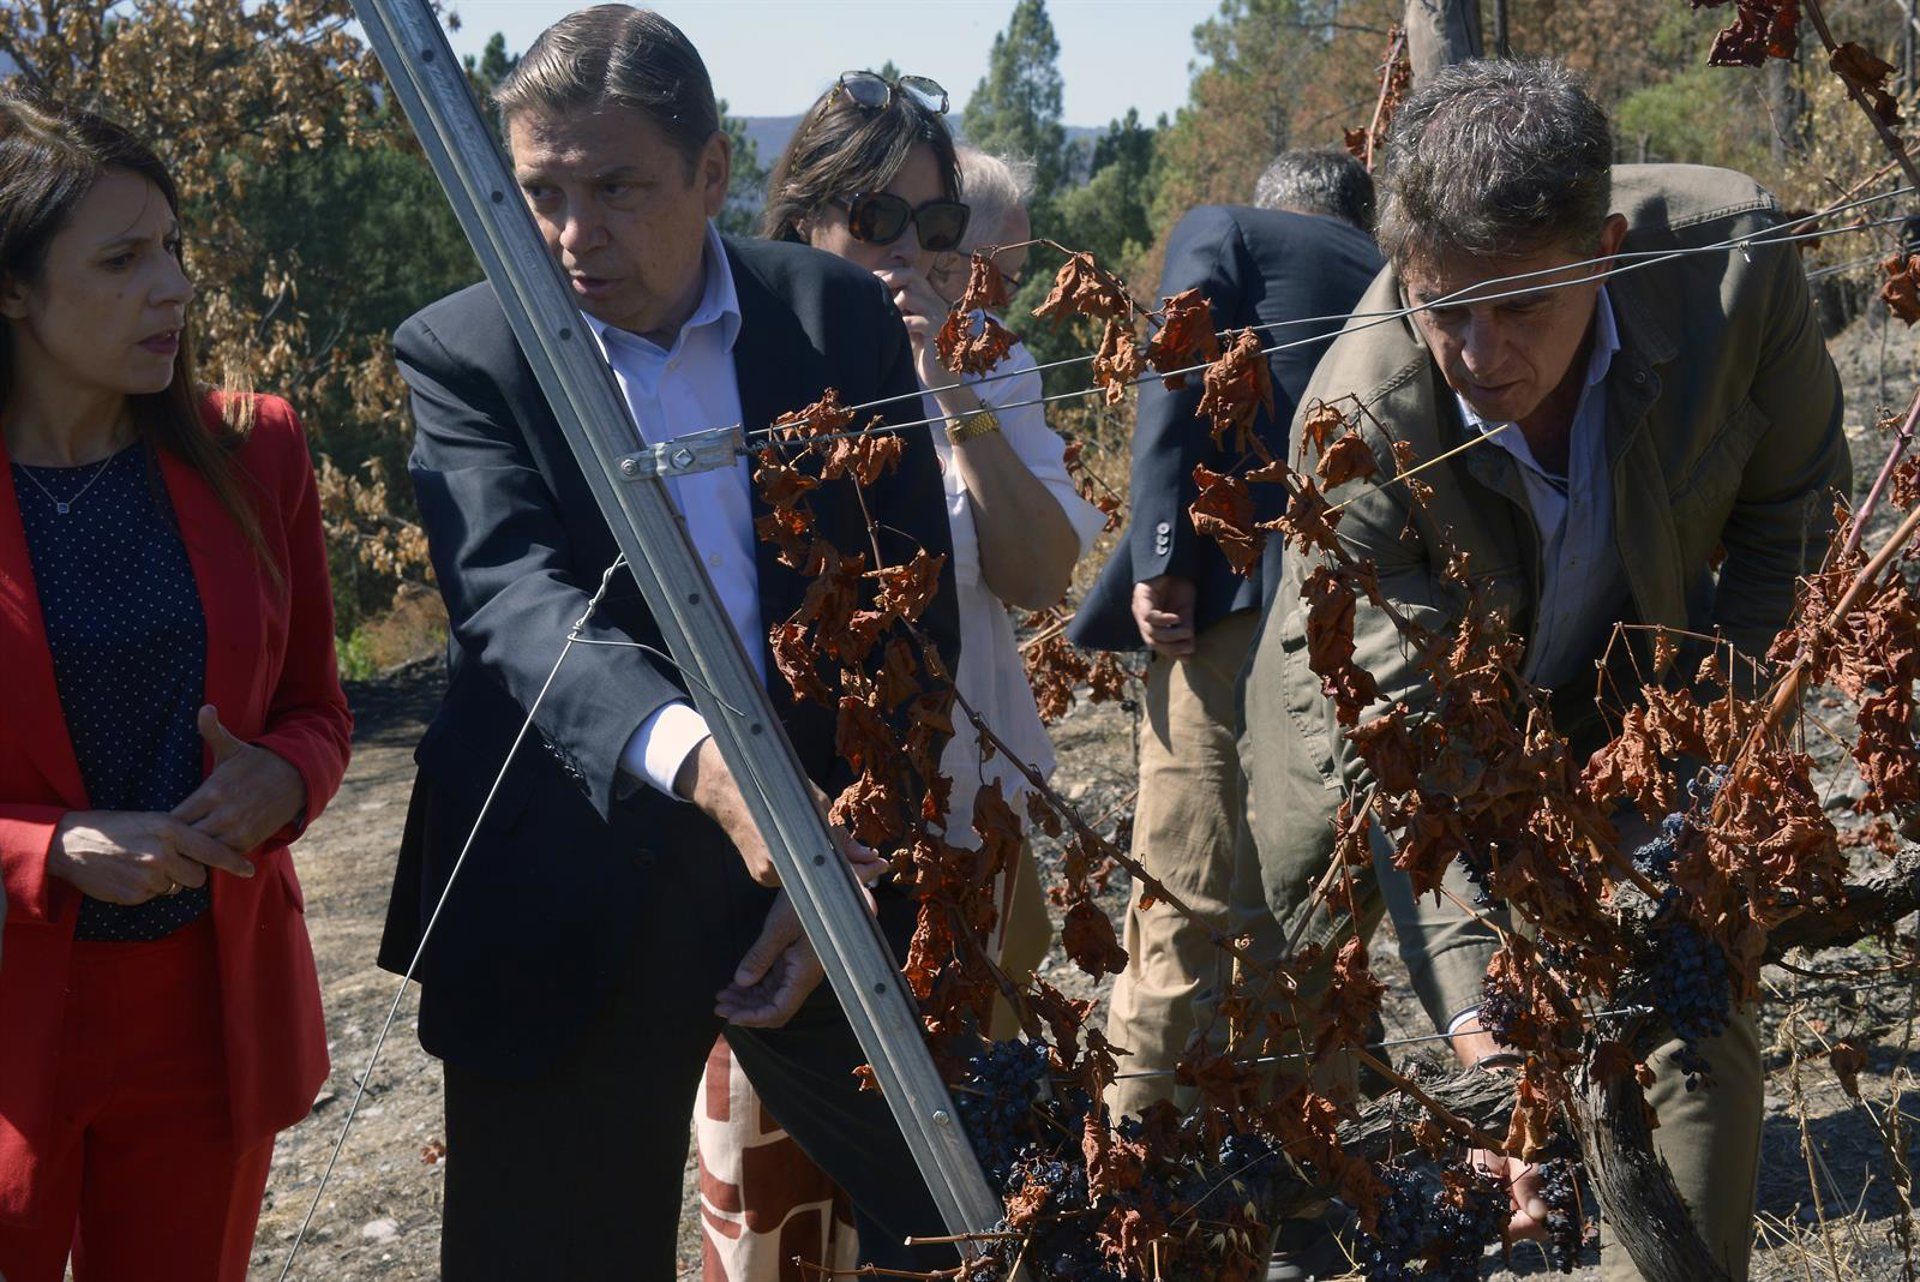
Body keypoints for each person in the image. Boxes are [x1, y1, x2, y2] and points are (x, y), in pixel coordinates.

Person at [374, 12, 965, 1278]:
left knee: (973, 1215)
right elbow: (515, 603)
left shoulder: (835, 321)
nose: (572, 233)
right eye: (541, 193)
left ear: (711, 173)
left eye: (617, 188)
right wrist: (713, 770)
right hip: (562, 896)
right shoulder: (466, 353)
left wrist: (849, 853)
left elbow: (911, 614)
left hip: (830, 873)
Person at [1242, 59, 1848, 1280]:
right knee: (1281, 1026)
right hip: (1368, 727)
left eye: (1519, 305)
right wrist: (1492, 1030)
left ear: (1605, 251)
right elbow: (1409, 764)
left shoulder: (1738, 268)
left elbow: (1793, 525)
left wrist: (1703, 781)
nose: (1479, 353)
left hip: (1633, 692)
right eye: (1444, 310)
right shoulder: (1357, 429)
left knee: (1687, 995)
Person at [692, 111, 1105, 1282]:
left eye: (934, 223)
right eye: (875, 218)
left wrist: (944, 390)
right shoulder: (729, 371)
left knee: (957, 1172)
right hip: (785, 838)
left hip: (966, 823)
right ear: (800, 225)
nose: (909, 249)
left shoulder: (989, 365)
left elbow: (1038, 572)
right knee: (780, 1179)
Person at [0, 92, 351, 1282]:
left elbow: (318, 711)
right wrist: (47, 849)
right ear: (13, 289)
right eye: (122, 260)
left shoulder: (256, 449)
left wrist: (283, 779)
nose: (175, 287)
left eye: (173, 248)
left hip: (207, 1021)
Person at [1068, 150, 1384, 1119]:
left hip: (1234, 612)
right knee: (1309, 911)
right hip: (1369, 630)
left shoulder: (1231, 229)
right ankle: (1302, 1159)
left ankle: (1141, 1155)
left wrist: (1162, 551)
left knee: (1184, 894)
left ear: (1274, 206)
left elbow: (1179, 359)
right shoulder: (1394, 273)